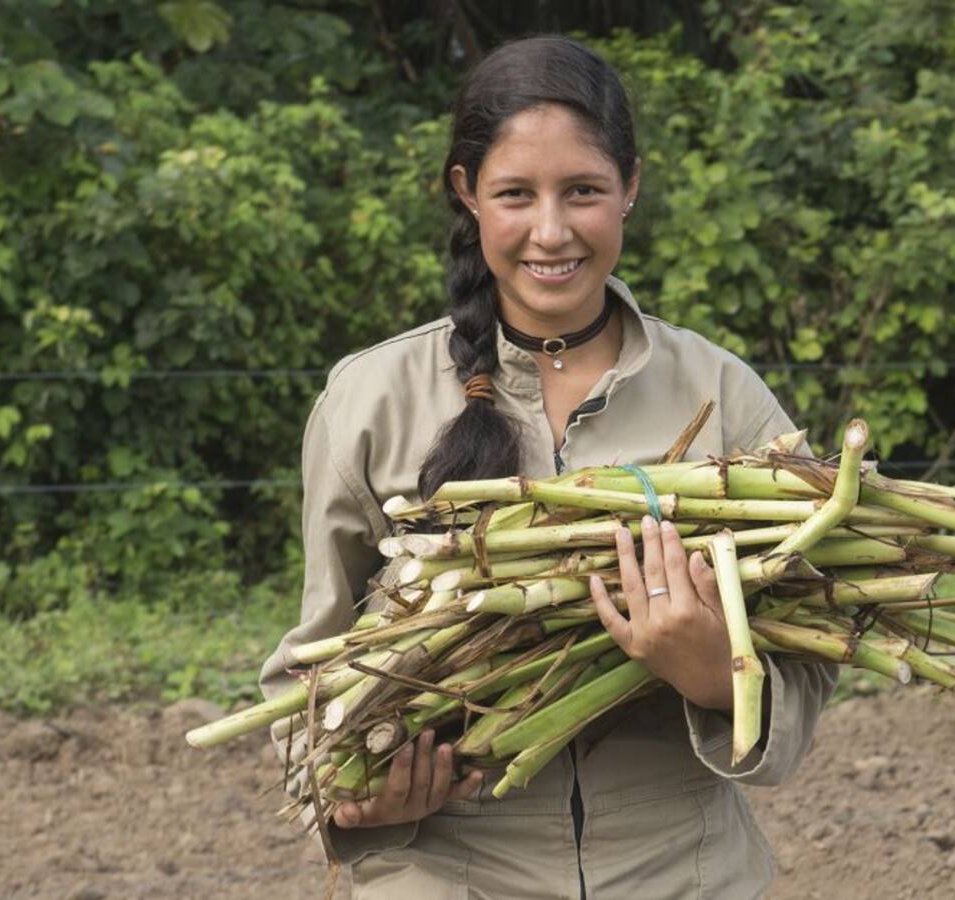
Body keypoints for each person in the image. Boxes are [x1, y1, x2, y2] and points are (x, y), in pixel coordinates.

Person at [259, 34, 837, 900]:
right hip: (445, 873)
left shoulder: (721, 392)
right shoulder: (371, 398)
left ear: (631, 186)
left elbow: (813, 655)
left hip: (681, 873)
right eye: (515, 194)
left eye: (584, 191)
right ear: (467, 193)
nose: (552, 231)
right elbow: (313, 667)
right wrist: (357, 798)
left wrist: (717, 672)